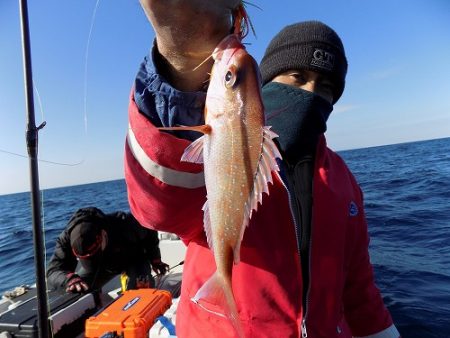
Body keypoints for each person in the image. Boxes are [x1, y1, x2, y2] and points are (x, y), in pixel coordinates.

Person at [124, 1, 400, 337]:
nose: (311, 93)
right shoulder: (213, 146)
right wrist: (182, 66)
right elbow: (161, 206)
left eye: (325, 87)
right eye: (297, 77)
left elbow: (358, 285)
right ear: (263, 85)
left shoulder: (344, 181)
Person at [46, 207, 169, 293]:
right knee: (77, 289)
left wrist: (155, 259)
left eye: (95, 254)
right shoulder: (65, 239)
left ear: (103, 234)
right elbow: (53, 270)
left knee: (142, 290)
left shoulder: (124, 223)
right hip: (102, 268)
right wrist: (69, 280)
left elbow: (150, 231)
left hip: (133, 258)